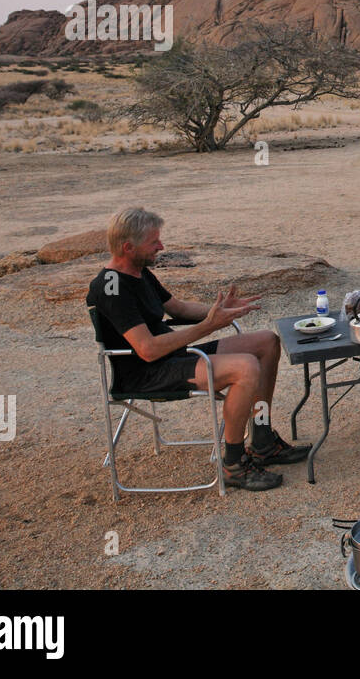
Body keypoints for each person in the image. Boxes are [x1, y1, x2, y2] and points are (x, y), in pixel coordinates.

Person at [86, 207, 308, 491]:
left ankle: (262, 440)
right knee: (246, 367)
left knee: (266, 341)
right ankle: (234, 464)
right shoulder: (111, 287)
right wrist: (208, 326)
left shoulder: (139, 272)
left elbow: (177, 308)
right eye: (154, 242)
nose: (161, 246)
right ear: (128, 247)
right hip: (148, 372)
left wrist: (220, 312)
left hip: (174, 357)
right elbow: (148, 350)